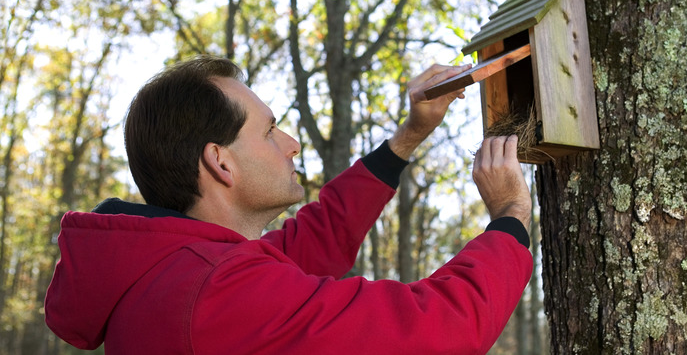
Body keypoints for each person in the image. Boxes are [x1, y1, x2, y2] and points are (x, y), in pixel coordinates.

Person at [44, 55, 533, 354]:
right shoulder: (215, 294)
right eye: (268, 129)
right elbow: (435, 331)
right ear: (221, 163)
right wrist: (509, 216)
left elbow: (316, 239)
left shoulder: (180, 272)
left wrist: (409, 137)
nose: (292, 143)